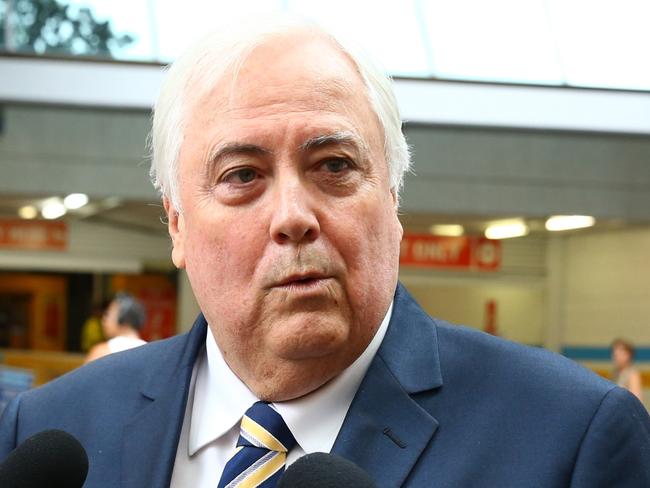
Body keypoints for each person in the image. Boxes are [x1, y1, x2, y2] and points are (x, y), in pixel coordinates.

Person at [1, 16, 650, 488]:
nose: (292, 217)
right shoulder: (51, 432)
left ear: (393, 202)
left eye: (334, 165)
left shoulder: (570, 441)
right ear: (176, 223)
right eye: (242, 176)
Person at [84, 293, 147, 363]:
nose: (103, 320)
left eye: (107, 314)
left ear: (124, 319)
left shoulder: (102, 352)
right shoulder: (150, 352)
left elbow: (83, 374)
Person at [612, 338, 644, 402]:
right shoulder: (616, 373)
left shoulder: (632, 374)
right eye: (615, 354)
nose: (616, 357)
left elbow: (636, 402)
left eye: (620, 354)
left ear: (628, 355)